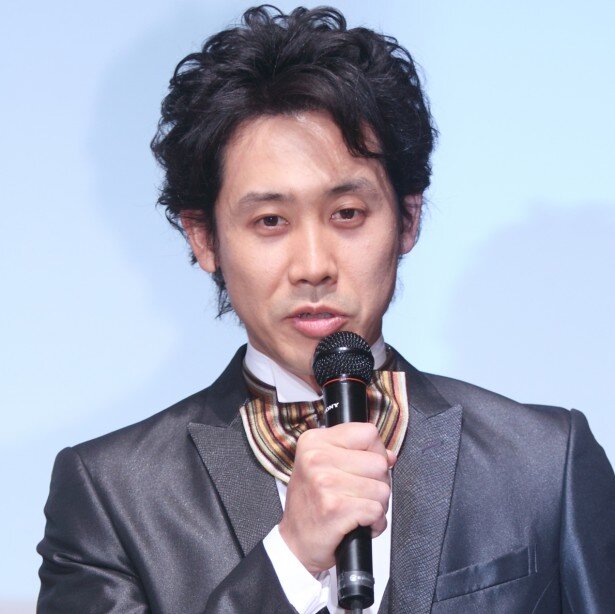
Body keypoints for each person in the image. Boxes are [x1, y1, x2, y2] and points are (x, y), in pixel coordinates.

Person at [37, 6, 615, 613]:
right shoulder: (110, 494)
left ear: (408, 219)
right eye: (270, 221)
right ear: (204, 238)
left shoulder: (544, 462)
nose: (313, 265)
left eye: (347, 214)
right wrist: (289, 559)